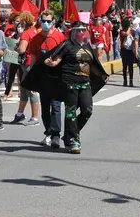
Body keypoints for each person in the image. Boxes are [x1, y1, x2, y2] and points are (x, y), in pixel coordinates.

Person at [43, 22, 108, 154]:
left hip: (85, 83)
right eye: (78, 29)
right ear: (72, 31)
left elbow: (92, 64)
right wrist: (50, 63)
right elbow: (56, 60)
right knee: (71, 112)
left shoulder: (87, 47)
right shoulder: (67, 45)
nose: (81, 32)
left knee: (87, 110)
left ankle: (71, 132)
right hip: (69, 83)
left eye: (83, 29)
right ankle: (72, 140)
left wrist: (101, 74)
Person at [23, 10, 67, 148]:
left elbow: (65, 56)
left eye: (49, 21)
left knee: (56, 106)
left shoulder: (60, 37)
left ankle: (55, 135)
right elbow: (33, 59)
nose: (46, 23)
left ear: (53, 22)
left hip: (57, 77)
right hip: (43, 78)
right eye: (44, 21)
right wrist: (31, 78)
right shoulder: (35, 39)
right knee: (45, 107)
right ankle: (48, 131)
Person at [12, 12, 40, 126]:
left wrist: (16, 47)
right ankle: (20, 114)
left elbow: (22, 49)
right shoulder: (34, 31)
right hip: (32, 63)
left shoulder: (25, 34)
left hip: (28, 63)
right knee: (24, 90)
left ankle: (35, 117)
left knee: (31, 91)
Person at [118, 19, 137, 87]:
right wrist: (129, 28)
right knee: (125, 66)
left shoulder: (132, 31)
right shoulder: (121, 31)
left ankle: (131, 81)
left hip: (130, 50)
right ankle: (125, 81)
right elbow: (126, 34)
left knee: (131, 66)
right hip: (124, 50)